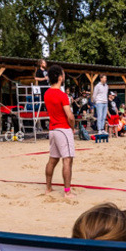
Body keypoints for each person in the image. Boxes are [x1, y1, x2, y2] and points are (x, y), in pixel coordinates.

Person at [44, 65, 75, 198]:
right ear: (60, 77)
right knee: (67, 160)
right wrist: (73, 128)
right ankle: (67, 192)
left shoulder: (46, 94)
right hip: (63, 129)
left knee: (52, 160)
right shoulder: (62, 95)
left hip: (52, 129)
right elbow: (70, 116)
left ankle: (48, 188)